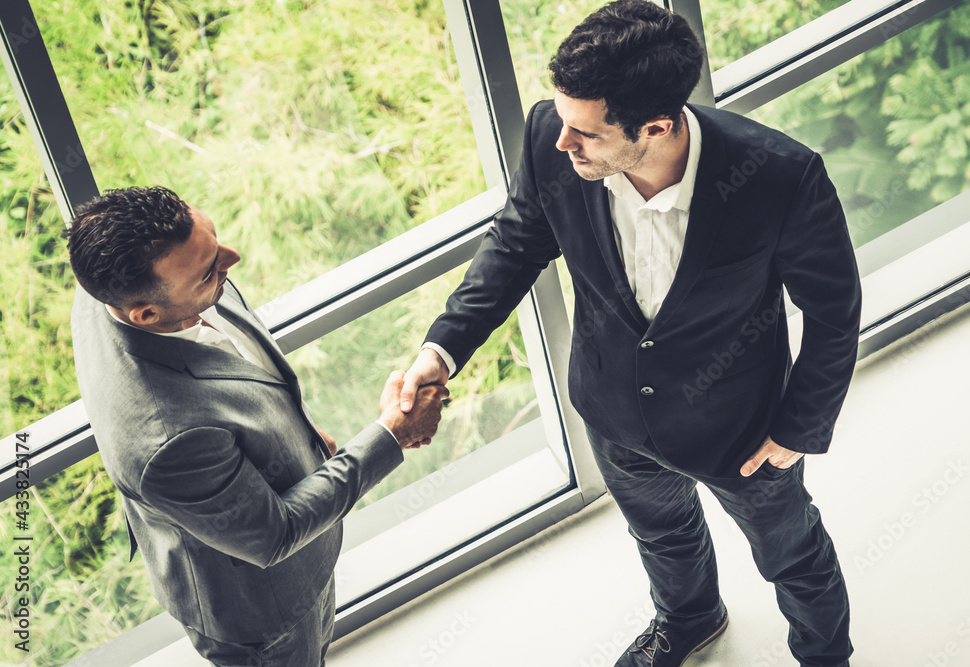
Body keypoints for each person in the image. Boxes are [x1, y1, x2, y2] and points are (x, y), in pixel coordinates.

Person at [399, 1, 861, 665]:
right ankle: (690, 617)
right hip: (613, 412)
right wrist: (440, 350)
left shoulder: (780, 178)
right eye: (563, 122)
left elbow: (835, 307)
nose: (563, 143)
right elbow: (517, 242)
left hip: (743, 430)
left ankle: (826, 657)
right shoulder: (551, 138)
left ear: (655, 126)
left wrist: (799, 427)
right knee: (663, 536)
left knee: (795, 557)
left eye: (584, 133)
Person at [68, 186, 449, 667]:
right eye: (210, 270)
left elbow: (240, 386)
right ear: (145, 314)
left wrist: (296, 440)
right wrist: (392, 434)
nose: (234, 257)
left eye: (213, 239)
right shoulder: (166, 440)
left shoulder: (112, 275)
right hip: (263, 612)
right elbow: (275, 535)